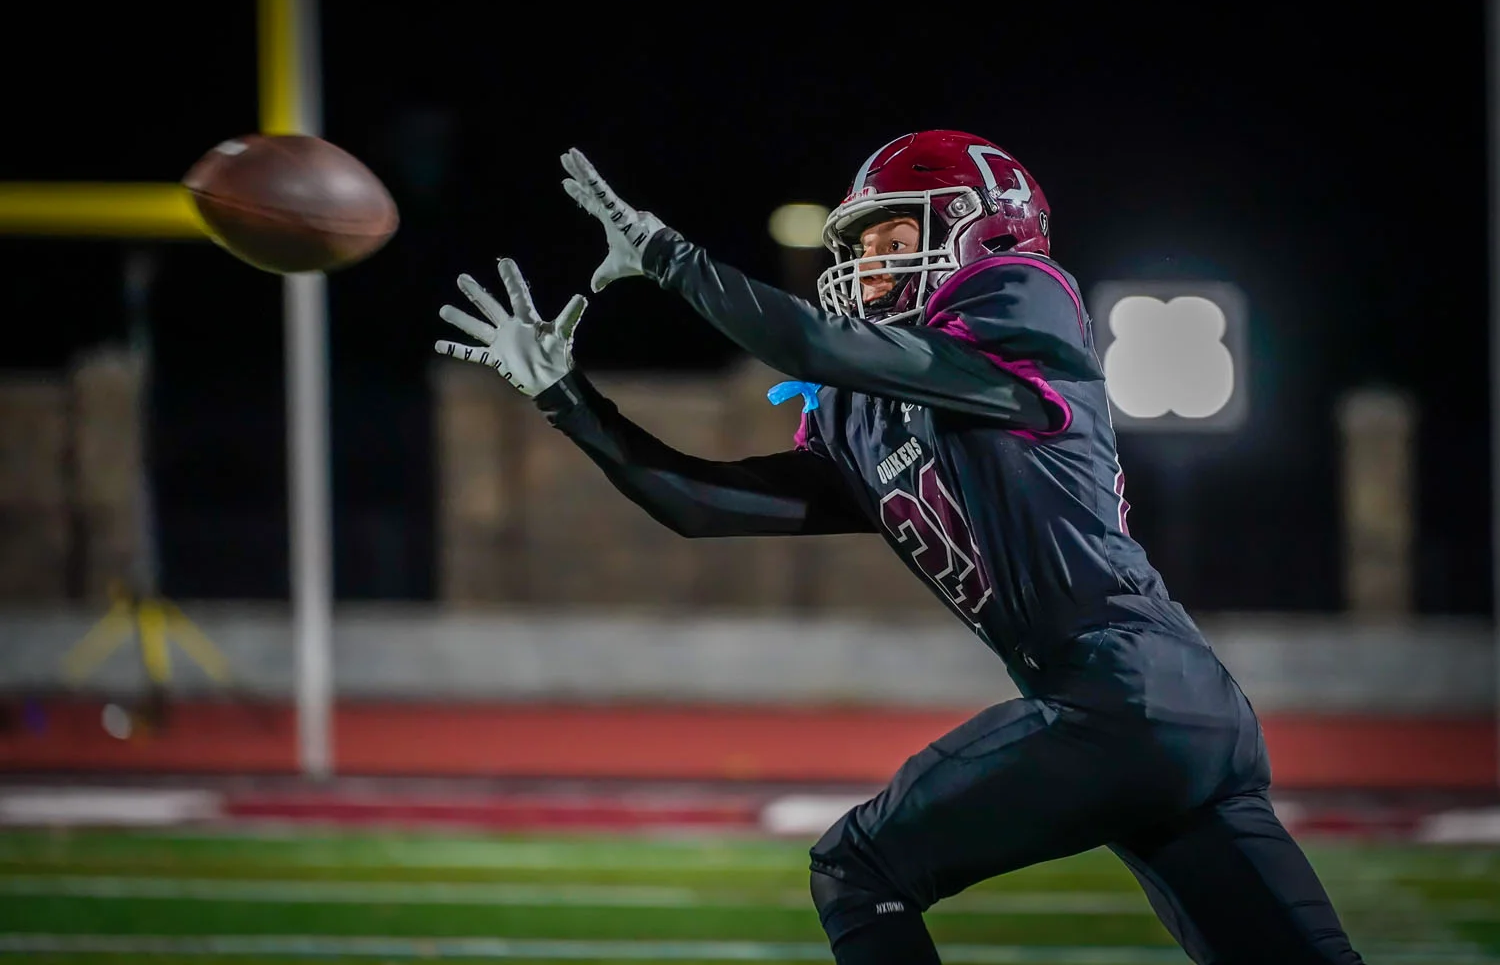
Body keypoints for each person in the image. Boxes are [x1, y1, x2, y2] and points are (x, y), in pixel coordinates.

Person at [434, 131, 1364, 964]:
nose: (871, 262)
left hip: (1117, 692)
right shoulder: (866, 410)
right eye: (862, 243)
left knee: (856, 868)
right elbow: (699, 505)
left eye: (894, 235)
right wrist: (567, 399)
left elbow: (808, 344)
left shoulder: (1025, 301)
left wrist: (672, 258)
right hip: (1162, 714)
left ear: (983, 229)